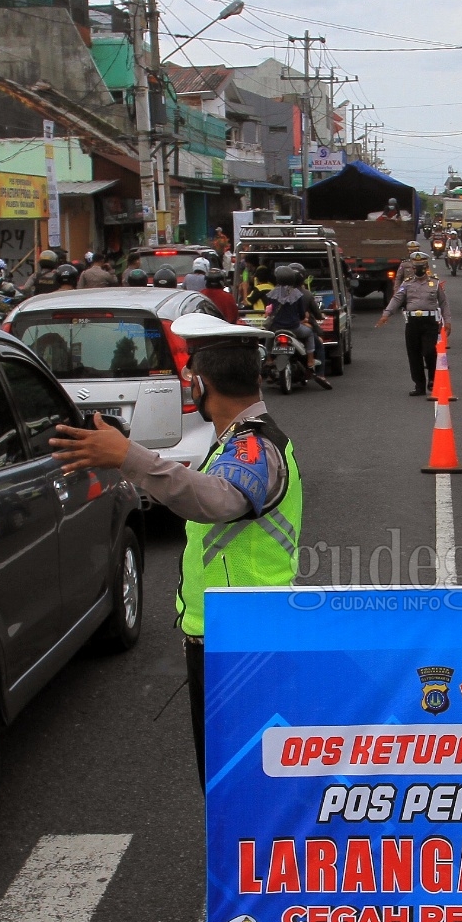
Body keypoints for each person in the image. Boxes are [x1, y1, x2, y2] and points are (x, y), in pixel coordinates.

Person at [48, 314, 303, 784]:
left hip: (242, 640)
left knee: (237, 783)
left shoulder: (252, 447)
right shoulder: (237, 442)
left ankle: (241, 859)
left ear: (199, 384)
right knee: (233, 780)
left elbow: (218, 498)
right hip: (238, 633)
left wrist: (127, 456)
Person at [379, 257, 448, 398]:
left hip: (430, 321)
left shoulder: (434, 283)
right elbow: (397, 298)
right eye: (416, 267)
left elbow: (443, 302)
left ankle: (432, 378)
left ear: (426, 267)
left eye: (421, 267)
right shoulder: (407, 283)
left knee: (429, 351)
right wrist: (387, 314)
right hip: (412, 322)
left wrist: (448, 321)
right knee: (414, 354)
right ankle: (419, 385)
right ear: (413, 269)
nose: (418, 270)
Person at [263, 262, 333, 389]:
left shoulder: (271, 293)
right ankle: (311, 360)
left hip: (276, 328)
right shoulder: (298, 294)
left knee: (269, 335)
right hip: (294, 328)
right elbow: (302, 314)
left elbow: (269, 310)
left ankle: (268, 358)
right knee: (310, 334)